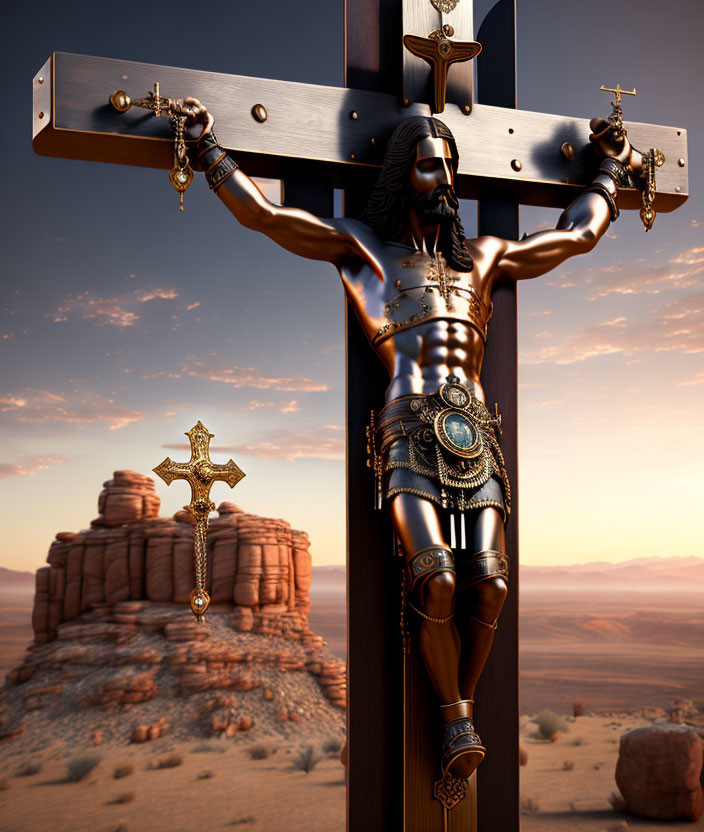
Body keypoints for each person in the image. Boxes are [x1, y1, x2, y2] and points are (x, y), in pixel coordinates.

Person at [178, 99, 642, 779]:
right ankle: (455, 720)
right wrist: (208, 150)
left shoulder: (482, 259)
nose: (446, 181)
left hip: (476, 433)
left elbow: (573, 237)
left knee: (491, 587)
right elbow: (270, 218)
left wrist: (608, 171)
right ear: (403, 177)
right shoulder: (364, 251)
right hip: (408, 427)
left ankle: (462, 707)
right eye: (430, 167)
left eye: (450, 166)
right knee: (437, 576)